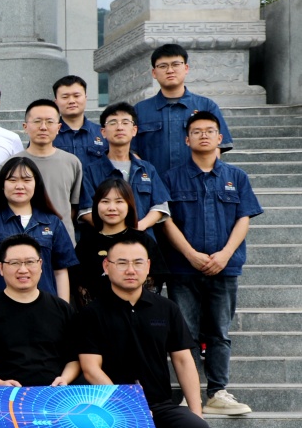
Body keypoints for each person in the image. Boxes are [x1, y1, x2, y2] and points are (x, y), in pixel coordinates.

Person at [77, 235, 212, 428]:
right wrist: (129, 403)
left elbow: (183, 361)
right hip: (110, 410)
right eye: (122, 263)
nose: (130, 269)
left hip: (159, 406)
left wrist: (196, 410)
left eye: (138, 263)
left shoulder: (167, 309)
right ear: (106, 266)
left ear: (148, 266)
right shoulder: (91, 313)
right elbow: (90, 368)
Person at [164, 110, 263, 417]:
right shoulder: (172, 177)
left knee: (219, 332)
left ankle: (218, 392)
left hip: (225, 267)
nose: (203, 135)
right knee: (186, 333)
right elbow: (166, 221)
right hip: (183, 269)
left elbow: (243, 218)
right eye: (196, 131)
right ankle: (190, 393)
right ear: (187, 139)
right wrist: (190, 254)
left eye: (209, 130)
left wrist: (225, 255)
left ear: (220, 138)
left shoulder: (237, 177)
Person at [0, 235, 80, 387]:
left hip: (53, 393)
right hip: (2, 394)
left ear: (40, 265)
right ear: (1, 268)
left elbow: (74, 358)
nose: (23, 270)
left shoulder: (63, 309)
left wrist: (65, 379)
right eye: (14, 263)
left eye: (30, 262)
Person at [0, 157, 77, 304]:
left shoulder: (53, 223)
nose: (19, 186)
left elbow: (60, 272)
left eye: (26, 180)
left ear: (36, 184)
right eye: (12, 180)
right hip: (0, 308)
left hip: (46, 307)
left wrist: (63, 309)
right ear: (2, 185)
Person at [135, 43, 234, 181]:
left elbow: (215, 148)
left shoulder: (206, 106)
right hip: (155, 186)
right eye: (163, 66)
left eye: (175, 64)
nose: (170, 70)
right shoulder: (140, 110)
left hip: (195, 186)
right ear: (154, 73)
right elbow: (131, 150)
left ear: (186, 68)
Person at [77, 102, 171, 231]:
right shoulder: (91, 170)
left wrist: (139, 227)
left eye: (125, 122)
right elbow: (86, 210)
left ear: (134, 130)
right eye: (113, 123)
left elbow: (160, 206)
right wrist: (115, 230)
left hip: (142, 238)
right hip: (105, 238)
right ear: (103, 132)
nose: (119, 127)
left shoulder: (147, 169)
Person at [75, 177, 159, 305]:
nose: (112, 208)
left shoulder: (143, 240)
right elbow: (80, 285)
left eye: (119, 201)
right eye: (105, 201)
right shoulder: (86, 244)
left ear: (129, 205)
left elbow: (155, 281)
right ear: (96, 205)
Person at [14, 99, 83, 239]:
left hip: (62, 241)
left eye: (50, 122)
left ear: (58, 127)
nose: (43, 127)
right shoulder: (11, 165)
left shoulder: (72, 162)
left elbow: (74, 205)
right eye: (37, 121)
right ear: (25, 126)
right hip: (20, 240)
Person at [52, 75, 108, 174]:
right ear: (56, 102)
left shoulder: (102, 133)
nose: (71, 101)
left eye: (76, 96)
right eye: (65, 97)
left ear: (85, 98)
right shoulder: (48, 134)